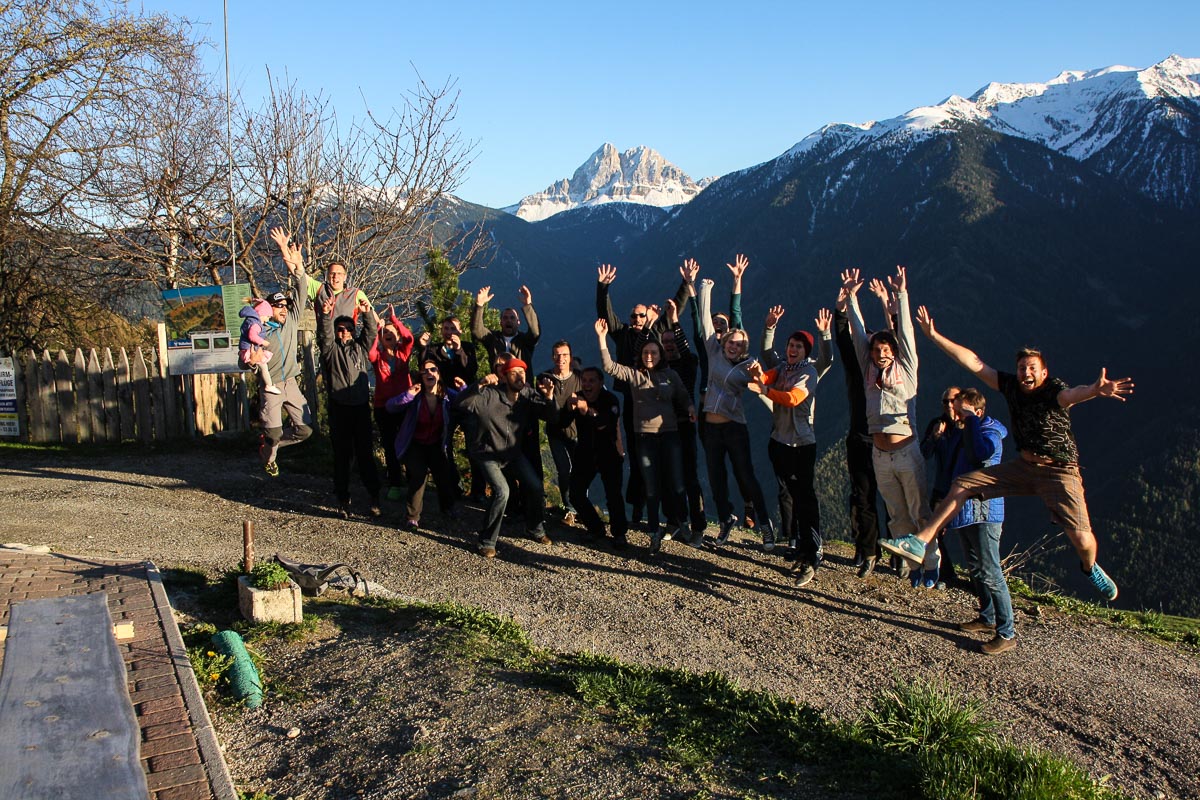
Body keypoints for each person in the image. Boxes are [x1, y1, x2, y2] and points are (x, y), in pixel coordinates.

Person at [880, 306, 1132, 603]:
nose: (1026, 373)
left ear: (1044, 372)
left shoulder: (1053, 391)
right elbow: (974, 363)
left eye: (1032, 368)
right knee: (964, 483)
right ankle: (920, 542)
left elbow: (1072, 395)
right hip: (1024, 466)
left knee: (1082, 538)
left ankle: (1090, 568)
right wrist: (934, 336)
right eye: (1022, 368)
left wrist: (1094, 390)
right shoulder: (1011, 386)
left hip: (1059, 470)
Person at [844, 266, 928, 572]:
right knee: (896, 512)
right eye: (876, 349)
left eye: (885, 349)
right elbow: (857, 335)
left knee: (919, 511)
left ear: (894, 351)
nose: (879, 353)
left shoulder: (906, 369)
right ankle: (907, 563)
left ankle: (930, 563)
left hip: (906, 450)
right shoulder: (869, 371)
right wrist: (851, 298)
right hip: (880, 453)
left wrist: (900, 295)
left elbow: (906, 333)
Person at [596, 263, 691, 528]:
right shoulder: (622, 334)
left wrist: (686, 284)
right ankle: (638, 508)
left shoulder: (655, 332)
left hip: (660, 405)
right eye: (634, 316)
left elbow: (674, 311)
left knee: (667, 462)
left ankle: (672, 516)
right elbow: (605, 313)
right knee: (639, 456)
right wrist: (603, 287)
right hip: (632, 402)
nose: (637, 319)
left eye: (641, 315)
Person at [747, 305, 833, 586]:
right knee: (792, 494)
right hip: (779, 442)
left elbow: (794, 398)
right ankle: (800, 544)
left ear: (807, 351)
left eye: (799, 346)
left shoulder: (809, 372)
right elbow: (766, 363)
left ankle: (813, 552)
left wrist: (765, 389)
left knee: (805, 499)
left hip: (801, 445)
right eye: (791, 345)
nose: (793, 349)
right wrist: (769, 327)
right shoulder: (783, 367)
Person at [696, 264, 777, 549]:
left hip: (734, 428)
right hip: (710, 428)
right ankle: (726, 519)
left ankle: (765, 524)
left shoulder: (747, 366)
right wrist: (705, 288)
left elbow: (762, 388)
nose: (734, 345)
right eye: (732, 341)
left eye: (740, 344)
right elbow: (704, 320)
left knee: (746, 476)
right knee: (716, 479)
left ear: (744, 347)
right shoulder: (713, 351)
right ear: (725, 341)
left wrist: (758, 378)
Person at [454, 357, 557, 558]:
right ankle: (486, 541)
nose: (520, 377)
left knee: (535, 487)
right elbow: (461, 403)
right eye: (514, 373)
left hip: (512, 453)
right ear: (503, 376)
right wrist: (480, 384)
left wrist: (549, 397)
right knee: (502, 492)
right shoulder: (489, 395)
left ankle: (534, 528)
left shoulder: (527, 394)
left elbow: (551, 417)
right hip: (488, 453)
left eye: (522, 373)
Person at [942, 388, 1014, 653]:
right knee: (975, 567)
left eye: (963, 411)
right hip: (967, 510)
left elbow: (980, 456)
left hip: (984, 511)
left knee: (991, 572)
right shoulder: (964, 432)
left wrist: (971, 422)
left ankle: (1006, 632)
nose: (957, 414)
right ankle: (987, 616)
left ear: (978, 412)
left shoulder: (990, 433)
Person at [317, 294, 382, 518]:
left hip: (360, 407)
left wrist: (366, 313)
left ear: (354, 330)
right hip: (340, 408)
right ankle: (343, 499)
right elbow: (324, 335)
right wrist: (326, 315)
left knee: (365, 455)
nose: (344, 332)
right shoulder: (330, 350)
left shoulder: (360, 348)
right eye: (340, 329)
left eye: (348, 329)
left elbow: (371, 333)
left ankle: (374, 496)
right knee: (342, 457)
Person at [258, 228, 316, 476]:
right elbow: (245, 358)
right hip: (270, 384)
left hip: (290, 381)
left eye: (285, 305)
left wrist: (294, 262)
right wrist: (252, 363)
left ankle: (273, 444)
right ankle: (269, 456)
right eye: (278, 306)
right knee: (273, 433)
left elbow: (302, 288)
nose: (283, 309)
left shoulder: (291, 320)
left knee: (305, 430)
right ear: (268, 308)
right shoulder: (258, 329)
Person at [834, 285, 883, 577]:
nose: (873, 352)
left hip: (888, 441)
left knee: (893, 500)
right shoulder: (856, 370)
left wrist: (890, 306)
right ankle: (867, 549)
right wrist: (841, 308)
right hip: (860, 439)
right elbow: (843, 338)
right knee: (861, 498)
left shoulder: (893, 373)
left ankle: (896, 554)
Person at [648, 298, 707, 539]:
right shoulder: (657, 369)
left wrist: (674, 320)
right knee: (667, 476)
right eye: (666, 342)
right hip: (664, 429)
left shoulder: (689, 363)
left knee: (689, 477)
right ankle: (674, 521)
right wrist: (651, 325)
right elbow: (646, 348)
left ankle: (698, 526)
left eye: (672, 341)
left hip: (684, 426)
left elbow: (684, 345)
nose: (670, 345)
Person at [385, 358, 463, 530]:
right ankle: (412, 517)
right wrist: (408, 395)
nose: (429, 373)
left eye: (433, 369)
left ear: (439, 374)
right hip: (415, 444)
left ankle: (448, 508)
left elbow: (466, 402)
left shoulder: (447, 394)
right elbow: (390, 406)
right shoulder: (416, 394)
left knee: (443, 474)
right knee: (419, 474)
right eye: (425, 370)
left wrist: (463, 388)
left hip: (436, 443)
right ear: (420, 375)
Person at [563, 367, 628, 548]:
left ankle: (619, 533)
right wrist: (568, 408)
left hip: (610, 453)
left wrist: (586, 410)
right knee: (575, 494)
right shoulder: (577, 397)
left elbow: (604, 424)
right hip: (585, 453)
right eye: (584, 380)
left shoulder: (610, 400)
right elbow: (562, 422)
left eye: (591, 381)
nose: (587, 384)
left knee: (613, 495)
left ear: (601, 383)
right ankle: (595, 527)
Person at [919, 386, 965, 586]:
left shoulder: (968, 424)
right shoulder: (937, 424)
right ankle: (945, 573)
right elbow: (924, 453)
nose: (949, 405)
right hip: (942, 487)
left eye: (953, 400)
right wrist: (935, 437)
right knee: (934, 530)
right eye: (945, 401)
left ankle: (979, 579)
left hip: (964, 488)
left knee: (968, 534)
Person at [370, 304, 415, 501]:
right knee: (390, 446)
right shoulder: (378, 358)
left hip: (405, 405)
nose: (388, 334)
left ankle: (413, 483)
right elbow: (370, 352)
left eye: (392, 332)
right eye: (385, 333)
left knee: (409, 444)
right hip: (383, 408)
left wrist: (394, 320)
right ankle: (395, 483)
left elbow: (409, 338)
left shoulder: (404, 353)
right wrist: (377, 329)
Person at [539, 341, 582, 526]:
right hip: (555, 433)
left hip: (577, 432)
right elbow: (544, 413)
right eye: (557, 355)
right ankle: (570, 508)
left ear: (570, 357)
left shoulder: (580, 378)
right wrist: (548, 397)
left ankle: (580, 507)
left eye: (565, 355)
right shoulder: (544, 379)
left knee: (579, 471)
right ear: (552, 357)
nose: (561, 358)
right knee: (564, 471)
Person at [472, 285, 541, 366]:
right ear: (500, 322)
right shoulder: (493, 339)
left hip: (520, 374)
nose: (509, 320)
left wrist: (528, 305)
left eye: (512, 318)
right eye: (505, 318)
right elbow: (477, 330)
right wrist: (479, 305)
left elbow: (535, 332)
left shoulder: (525, 341)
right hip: (498, 374)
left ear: (518, 322)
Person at [238, 298, 280, 395]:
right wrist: (263, 342)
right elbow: (252, 336)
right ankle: (269, 385)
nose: (267, 320)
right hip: (250, 350)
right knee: (264, 367)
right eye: (267, 317)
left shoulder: (250, 321)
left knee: (262, 366)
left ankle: (268, 384)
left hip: (247, 349)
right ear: (262, 314)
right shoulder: (256, 324)